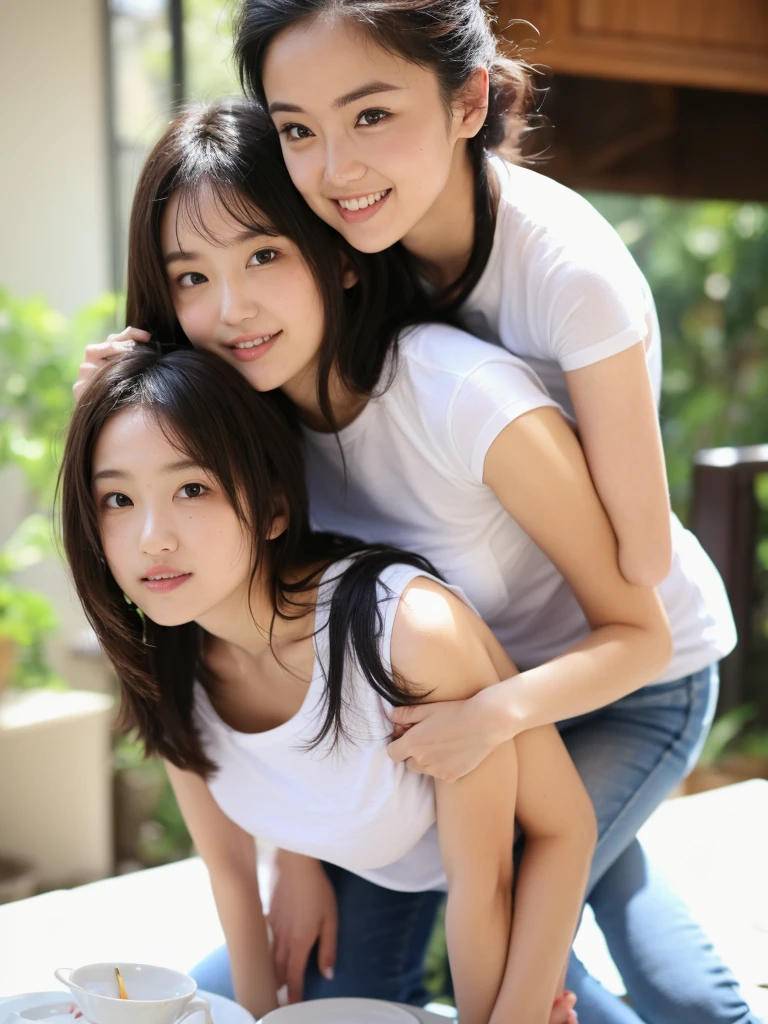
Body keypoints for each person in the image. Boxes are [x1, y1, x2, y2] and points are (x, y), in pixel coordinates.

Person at [73, 100, 752, 1023]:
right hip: (452, 705)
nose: (230, 309)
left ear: (337, 252)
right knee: (352, 973)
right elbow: (266, 624)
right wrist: (128, 410)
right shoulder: (246, 417)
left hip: (626, 678)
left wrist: (494, 718)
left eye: (264, 255)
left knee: (530, 942)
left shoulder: (461, 396)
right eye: (191, 276)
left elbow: (639, 633)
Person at [61, 345, 596, 1024]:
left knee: (607, 1001)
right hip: (374, 857)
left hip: (542, 824)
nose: (150, 537)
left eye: (191, 488)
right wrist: (258, 1003)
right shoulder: (162, 654)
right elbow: (229, 871)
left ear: (275, 508)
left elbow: (491, 876)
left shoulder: (407, 635)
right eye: (117, 498)